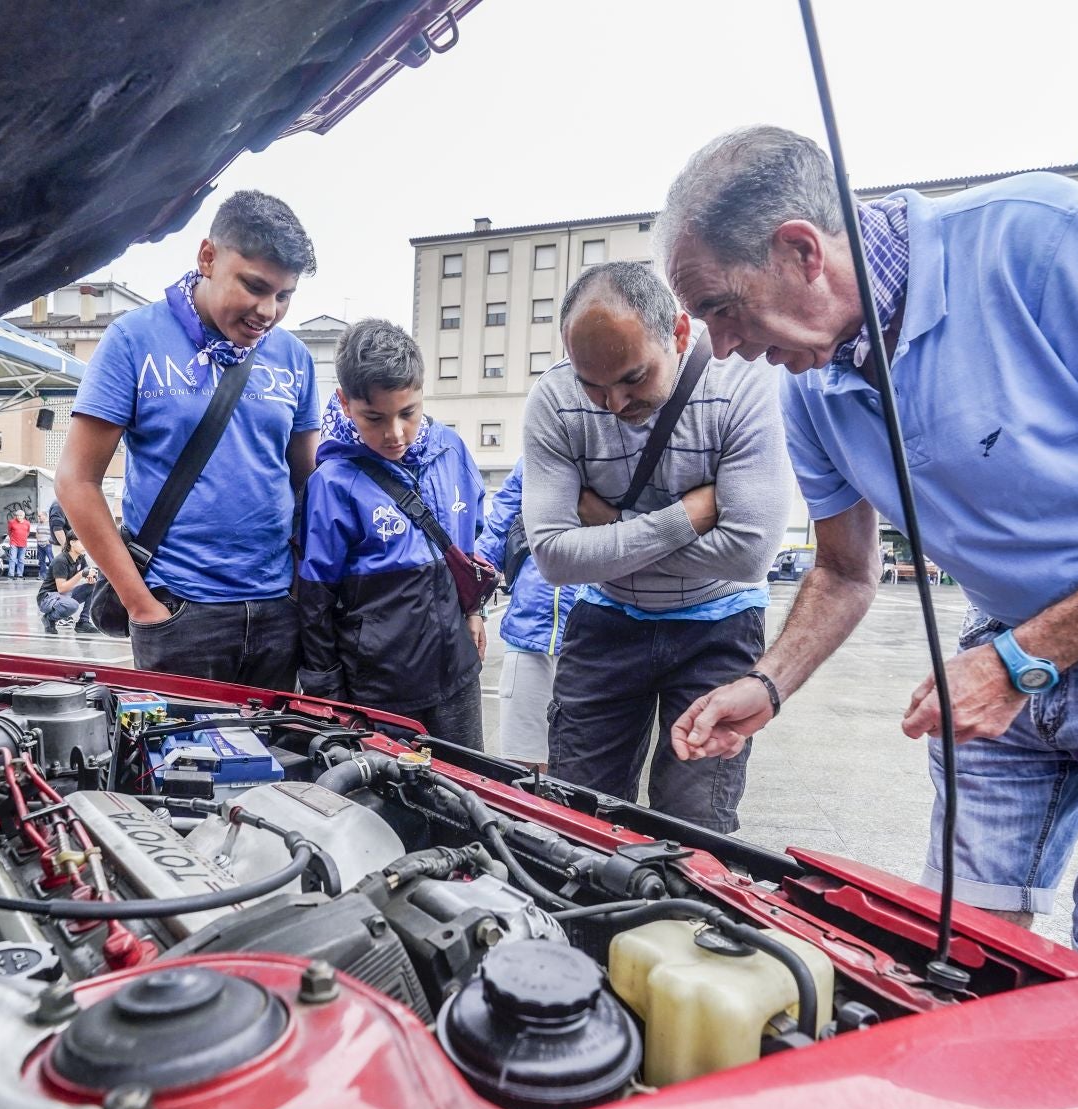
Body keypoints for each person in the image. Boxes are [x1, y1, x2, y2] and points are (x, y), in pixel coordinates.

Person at [659, 126, 1078, 1033]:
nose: (723, 349)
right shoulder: (807, 386)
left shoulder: (1041, 241)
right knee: (959, 950)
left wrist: (1021, 660)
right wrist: (769, 684)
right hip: (1009, 639)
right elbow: (847, 571)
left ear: (802, 250)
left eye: (723, 309)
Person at [522, 262, 788, 832]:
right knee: (575, 815)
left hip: (718, 628)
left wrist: (610, 525)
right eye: (592, 384)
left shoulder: (742, 382)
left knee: (693, 826)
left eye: (633, 378)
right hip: (607, 621)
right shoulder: (552, 400)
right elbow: (553, 557)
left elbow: (748, 553)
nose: (613, 403)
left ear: (680, 334)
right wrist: (687, 518)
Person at [58, 190, 320, 686]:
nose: (268, 310)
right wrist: (143, 606)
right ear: (207, 257)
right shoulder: (134, 340)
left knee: (279, 760)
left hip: (277, 610)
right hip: (179, 610)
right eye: (255, 286)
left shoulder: (293, 358)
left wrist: (300, 593)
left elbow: (308, 484)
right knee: (179, 765)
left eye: (284, 296)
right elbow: (76, 481)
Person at [297, 319, 487, 747]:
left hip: (457, 674)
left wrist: (475, 612)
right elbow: (315, 602)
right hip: (379, 693)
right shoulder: (332, 482)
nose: (395, 433)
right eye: (374, 417)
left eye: (408, 413)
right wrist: (328, 697)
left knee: (469, 792)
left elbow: (470, 546)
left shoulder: (450, 449)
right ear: (345, 404)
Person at [479, 459, 580, 770]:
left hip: (597, 635)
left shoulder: (621, 450)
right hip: (529, 627)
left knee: (588, 774)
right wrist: (470, 601)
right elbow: (495, 530)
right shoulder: (535, 457)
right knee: (523, 768)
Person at [37, 532, 97, 635]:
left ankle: (83, 622)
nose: (86, 545)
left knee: (94, 587)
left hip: (64, 595)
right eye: (82, 542)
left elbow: (86, 571)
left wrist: (92, 578)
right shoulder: (61, 560)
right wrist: (80, 575)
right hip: (47, 598)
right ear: (72, 543)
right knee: (72, 605)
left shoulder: (80, 558)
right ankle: (49, 618)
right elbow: (61, 589)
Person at [5, 507, 30, 579]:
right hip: (14, 543)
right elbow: (9, 531)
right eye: (17, 515)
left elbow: (27, 532)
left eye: (20, 516)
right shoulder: (11, 522)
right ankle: (11, 574)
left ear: (23, 516)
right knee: (12, 558)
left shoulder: (27, 523)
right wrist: (12, 538)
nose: (18, 517)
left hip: (23, 543)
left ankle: (20, 574)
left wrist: (24, 537)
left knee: (21, 559)